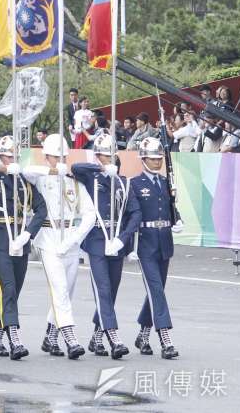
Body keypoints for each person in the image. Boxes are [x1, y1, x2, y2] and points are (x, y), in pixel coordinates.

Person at [21, 134, 96, 360]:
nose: (59, 160)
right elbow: (27, 171)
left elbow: (89, 214)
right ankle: (71, 338)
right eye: (55, 157)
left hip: (70, 240)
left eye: (63, 156)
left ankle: (50, 336)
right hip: (48, 239)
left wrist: (75, 239)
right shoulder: (40, 178)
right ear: (46, 156)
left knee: (66, 292)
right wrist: (54, 171)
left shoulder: (75, 181)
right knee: (60, 289)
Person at [0, 136, 47, 361]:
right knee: (7, 289)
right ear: (0, 156)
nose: (11, 159)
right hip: (2, 239)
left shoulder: (24, 181)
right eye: (7, 155)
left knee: (13, 291)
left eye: (15, 156)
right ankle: (15, 338)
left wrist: (28, 233)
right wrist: (3, 169)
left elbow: (41, 208)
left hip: (20, 240)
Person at [71, 135, 140, 359]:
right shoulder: (89, 177)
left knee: (111, 291)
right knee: (102, 289)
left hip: (116, 241)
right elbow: (75, 166)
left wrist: (123, 238)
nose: (105, 158)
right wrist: (99, 167)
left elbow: (134, 213)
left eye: (109, 155)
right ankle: (113, 336)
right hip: (96, 241)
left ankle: (97, 336)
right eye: (101, 154)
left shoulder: (123, 181)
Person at [126, 137, 181, 359]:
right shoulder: (135, 184)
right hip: (146, 243)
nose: (157, 162)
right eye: (152, 158)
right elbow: (133, 214)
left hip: (164, 241)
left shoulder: (166, 182)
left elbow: (170, 209)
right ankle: (165, 339)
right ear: (143, 159)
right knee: (156, 289)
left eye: (159, 159)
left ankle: (143, 334)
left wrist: (177, 219)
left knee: (155, 292)